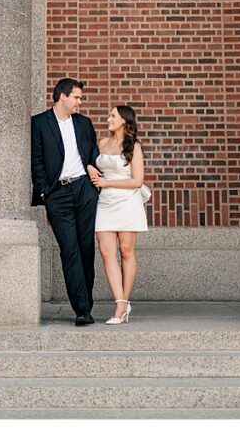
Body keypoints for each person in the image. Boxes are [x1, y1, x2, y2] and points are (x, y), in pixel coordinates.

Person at [31, 78, 100, 326]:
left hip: (84, 190)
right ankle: (81, 308)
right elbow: (36, 160)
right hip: (57, 194)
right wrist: (44, 193)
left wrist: (92, 165)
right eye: (77, 97)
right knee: (69, 250)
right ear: (62, 96)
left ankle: (86, 305)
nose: (80, 102)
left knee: (86, 249)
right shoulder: (39, 123)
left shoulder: (84, 124)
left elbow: (92, 152)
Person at [88, 105, 150, 324]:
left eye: (112, 115)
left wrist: (107, 181)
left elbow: (137, 180)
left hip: (127, 201)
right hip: (105, 202)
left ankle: (122, 304)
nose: (108, 119)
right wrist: (90, 168)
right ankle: (119, 300)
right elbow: (87, 160)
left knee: (125, 251)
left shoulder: (133, 146)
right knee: (106, 252)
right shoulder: (101, 143)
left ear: (124, 120)